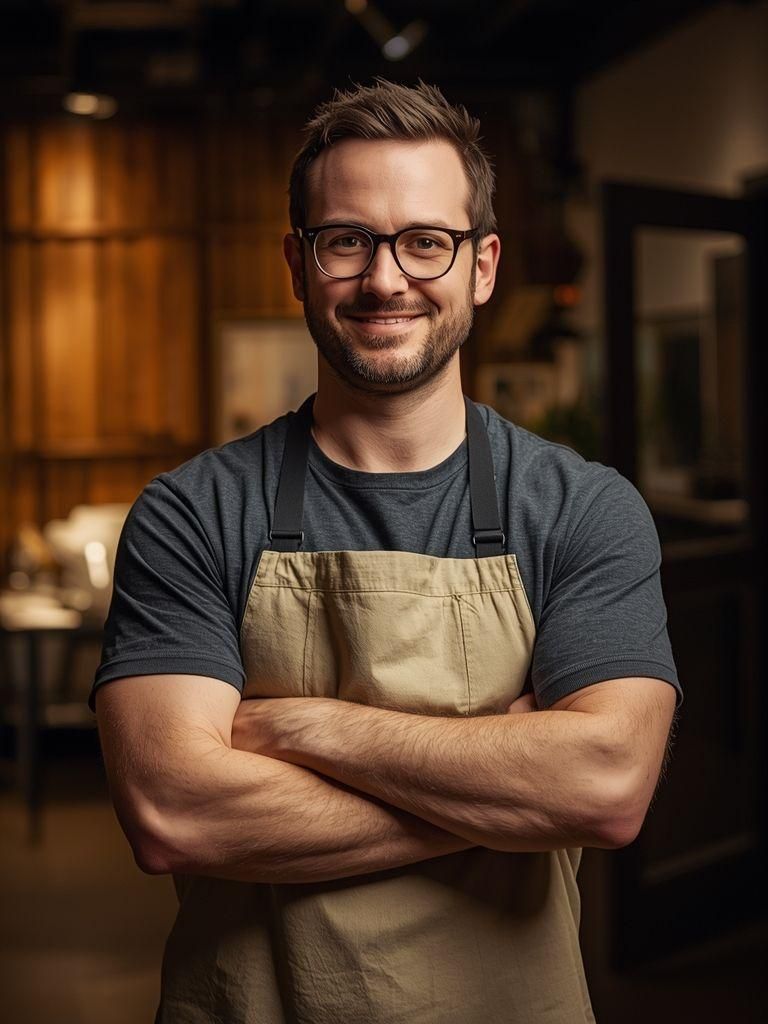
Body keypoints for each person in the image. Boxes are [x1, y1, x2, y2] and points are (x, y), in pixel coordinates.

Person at [91, 79, 682, 1024]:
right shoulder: (192, 513)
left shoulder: (582, 509)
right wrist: (505, 789)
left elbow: (605, 788)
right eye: (346, 240)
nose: (385, 278)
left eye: (425, 241)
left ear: (482, 265)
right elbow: (172, 813)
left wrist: (299, 729)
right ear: (297, 262)